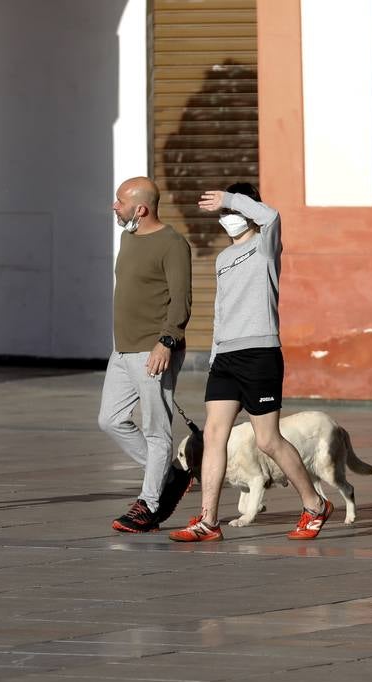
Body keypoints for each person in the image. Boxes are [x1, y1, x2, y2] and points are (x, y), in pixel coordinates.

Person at [169, 183, 334, 542]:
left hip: (260, 354)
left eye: (232, 212)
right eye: (223, 214)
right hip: (225, 357)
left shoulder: (265, 246)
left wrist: (229, 199)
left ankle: (315, 505)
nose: (227, 218)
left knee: (267, 440)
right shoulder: (223, 259)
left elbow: (272, 215)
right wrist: (214, 356)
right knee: (214, 435)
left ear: (248, 210)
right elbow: (221, 311)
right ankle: (208, 521)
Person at [100, 176, 194, 533]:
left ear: (140, 208)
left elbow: (182, 298)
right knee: (110, 419)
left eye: (119, 201)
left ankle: (149, 504)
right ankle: (169, 475)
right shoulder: (128, 238)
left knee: (157, 431)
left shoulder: (172, 244)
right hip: (123, 349)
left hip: (154, 349)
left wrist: (166, 342)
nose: (114, 206)